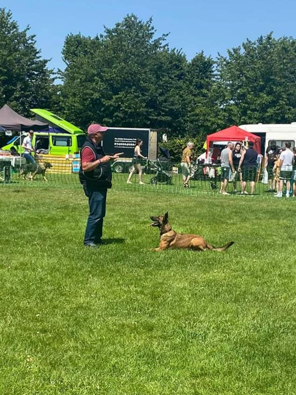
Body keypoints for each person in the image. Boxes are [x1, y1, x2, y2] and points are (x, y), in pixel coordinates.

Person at [80, 124, 122, 247]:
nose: (103, 134)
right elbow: (85, 166)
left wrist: (109, 158)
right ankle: (89, 241)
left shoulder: (96, 146)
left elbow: (100, 159)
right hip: (94, 184)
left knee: (100, 213)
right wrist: (101, 161)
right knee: (95, 213)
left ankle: (97, 238)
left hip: (100, 183)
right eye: (101, 132)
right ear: (94, 135)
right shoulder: (88, 148)